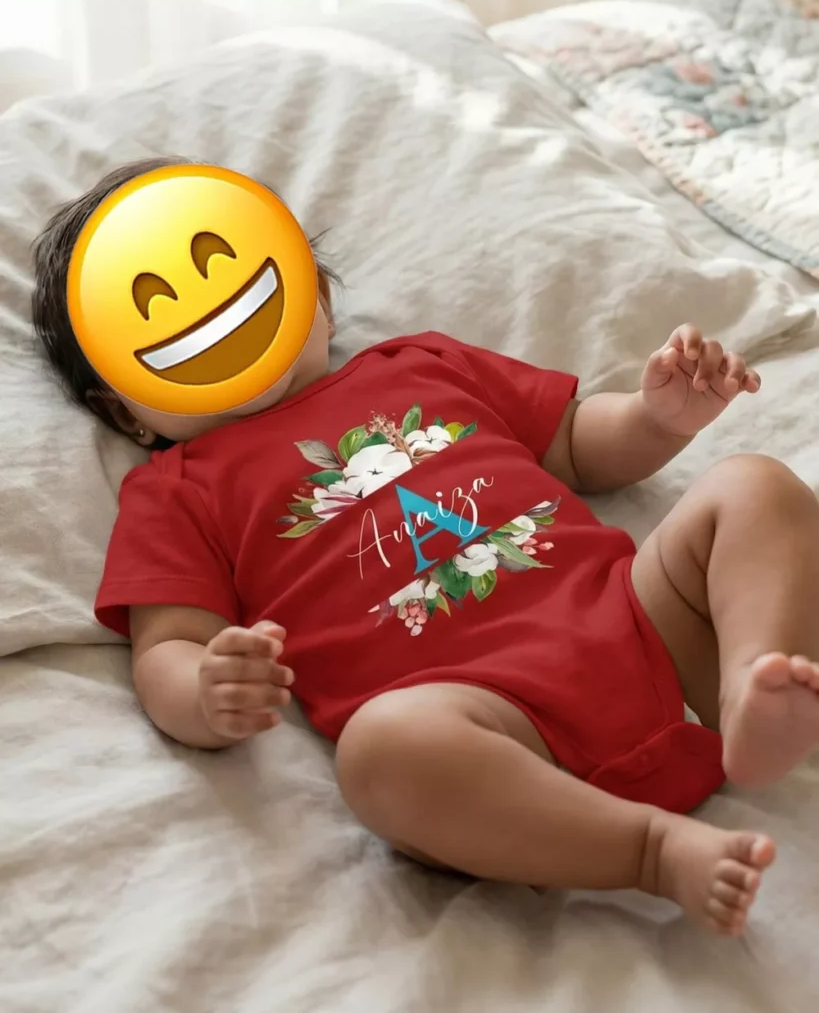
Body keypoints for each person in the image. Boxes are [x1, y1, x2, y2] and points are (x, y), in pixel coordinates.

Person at [32, 158, 819, 937]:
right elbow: (167, 645)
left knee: (751, 485)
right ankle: (649, 851)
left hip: (642, 628)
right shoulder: (175, 490)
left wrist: (657, 420)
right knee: (382, 752)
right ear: (124, 411)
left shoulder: (420, 363)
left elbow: (576, 444)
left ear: (317, 298)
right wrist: (207, 691)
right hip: (490, 728)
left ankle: (752, 685)